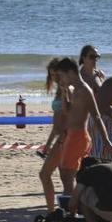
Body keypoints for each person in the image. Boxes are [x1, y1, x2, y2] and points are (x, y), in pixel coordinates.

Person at [54, 58, 112, 193]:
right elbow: (68, 112)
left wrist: (106, 141)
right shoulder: (73, 89)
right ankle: (73, 201)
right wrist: (64, 93)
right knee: (64, 172)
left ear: (70, 72)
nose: (61, 79)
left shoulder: (85, 90)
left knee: (68, 174)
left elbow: (97, 116)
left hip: (79, 136)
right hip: (71, 135)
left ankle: (71, 205)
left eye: (62, 75)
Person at [39, 58, 74, 212]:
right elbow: (56, 125)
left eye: (57, 75)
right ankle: (65, 211)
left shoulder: (68, 89)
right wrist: (47, 145)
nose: (54, 78)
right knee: (65, 178)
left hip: (67, 137)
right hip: (62, 136)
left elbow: (71, 116)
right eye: (52, 75)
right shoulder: (61, 90)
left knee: (45, 174)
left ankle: (53, 212)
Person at [79, 45, 107, 158]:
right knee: (89, 153)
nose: (95, 59)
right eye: (92, 56)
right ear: (84, 58)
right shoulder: (80, 77)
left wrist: (103, 79)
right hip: (87, 118)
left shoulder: (98, 74)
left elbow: (104, 94)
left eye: (97, 56)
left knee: (100, 152)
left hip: (100, 116)